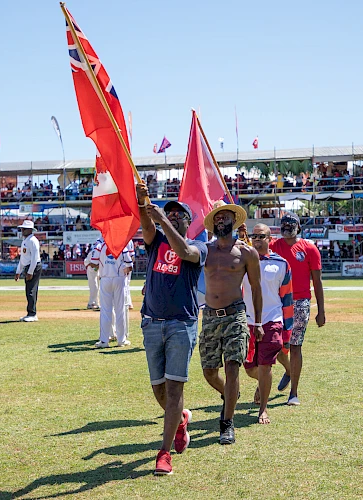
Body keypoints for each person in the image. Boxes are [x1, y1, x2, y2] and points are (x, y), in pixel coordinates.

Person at [136, 181, 208, 476]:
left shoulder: (198, 247)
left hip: (181, 323)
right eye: (170, 213)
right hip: (152, 321)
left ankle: (164, 453)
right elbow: (147, 226)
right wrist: (143, 204)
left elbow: (183, 249)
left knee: (175, 387)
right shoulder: (156, 241)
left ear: (189, 223)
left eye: (180, 215)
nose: (174, 216)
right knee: (159, 389)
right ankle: (179, 421)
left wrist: (162, 219)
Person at [200, 200, 263, 445]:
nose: (220, 220)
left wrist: (257, 324)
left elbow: (256, 289)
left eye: (224, 217)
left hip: (235, 315)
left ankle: (227, 424)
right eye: (216, 218)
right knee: (209, 372)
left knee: (233, 366)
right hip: (209, 316)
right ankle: (230, 393)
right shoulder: (206, 250)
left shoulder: (246, 252)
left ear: (234, 221)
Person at [270, 213, 325, 406]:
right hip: (276, 302)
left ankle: (293, 392)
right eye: (284, 223)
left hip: (300, 302)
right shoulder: (273, 246)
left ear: (298, 227)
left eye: (291, 224)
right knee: (274, 345)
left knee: (295, 346)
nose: (287, 226)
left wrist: (321, 311)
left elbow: (317, 282)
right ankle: (287, 370)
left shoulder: (309, 248)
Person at [242, 224, 293, 424]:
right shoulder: (243, 262)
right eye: (253, 236)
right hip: (248, 321)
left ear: (270, 238)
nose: (256, 239)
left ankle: (263, 409)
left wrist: (287, 329)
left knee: (265, 365)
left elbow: (287, 298)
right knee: (249, 368)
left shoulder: (281, 264)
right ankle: (263, 384)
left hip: (272, 319)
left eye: (261, 236)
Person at [90, 237, 132, 348]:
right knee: (120, 310)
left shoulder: (100, 245)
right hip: (119, 278)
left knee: (105, 310)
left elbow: (93, 263)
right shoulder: (122, 246)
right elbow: (130, 264)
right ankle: (121, 340)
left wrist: (103, 265)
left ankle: (104, 340)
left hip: (105, 278)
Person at [15, 220, 42, 322]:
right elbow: (23, 258)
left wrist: (30, 272)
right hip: (28, 266)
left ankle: (32, 314)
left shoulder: (33, 240)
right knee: (28, 291)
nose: (22, 230)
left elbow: (35, 257)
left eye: (24, 229)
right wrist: (19, 271)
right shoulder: (26, 240)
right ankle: (30, 312)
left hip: (33, 267)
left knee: (31, 290)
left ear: (30, 230)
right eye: (22, 228)